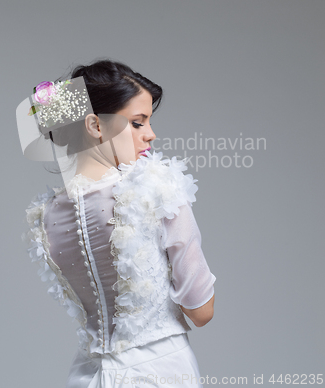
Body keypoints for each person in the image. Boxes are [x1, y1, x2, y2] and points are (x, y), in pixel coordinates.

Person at [17, 60, 216, 388]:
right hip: (160, 372)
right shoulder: (156, 187)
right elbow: (200, 310)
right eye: (138, 123)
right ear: (95, 125)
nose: (151, 135)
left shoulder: (46, 215)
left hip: (88, 375)